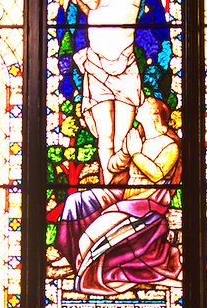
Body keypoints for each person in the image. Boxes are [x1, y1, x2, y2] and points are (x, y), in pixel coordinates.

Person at [49, 0, 180, 183]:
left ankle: (122, 189)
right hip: (96, 73)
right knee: (104, 137)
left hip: (124, 74)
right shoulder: (92, 8)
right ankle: (108, 188)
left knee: (121, 134)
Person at [55, 96, 182, 294]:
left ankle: (87, 266)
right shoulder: (137, 139)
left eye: (144, 106)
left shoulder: (170, 146)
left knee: (90, 237)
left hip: (146, 204)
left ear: (154, 115)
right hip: (125, 197)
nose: (138, 107)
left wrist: (136, 154)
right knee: (76, 202)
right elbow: (113, 166)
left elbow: (157, 174)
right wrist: (125, 152)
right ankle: (71, 257)